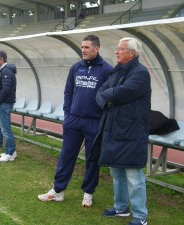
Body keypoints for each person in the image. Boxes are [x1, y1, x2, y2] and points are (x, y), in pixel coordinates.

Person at [37, 35, 112, 207]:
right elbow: (68, 91)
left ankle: (88, 193)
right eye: (82, 47)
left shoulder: (106, 70)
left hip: (94, 122)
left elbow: (110, 98)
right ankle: (58, 190)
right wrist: (68, 114)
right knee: (66, 155)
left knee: (92, 159)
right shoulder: (76, 67)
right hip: (74, 120)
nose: (83, 50)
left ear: (96, 49)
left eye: (87, 47)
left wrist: (102, 119)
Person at [93, 37, 151, 225]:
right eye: (117, 48)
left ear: (132, 53)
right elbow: (100, 93)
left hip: (131, 132)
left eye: (121, 49)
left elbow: (121, 93)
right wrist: (108, 97)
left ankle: (141, 217)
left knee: (134, 176)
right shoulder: (116, 71)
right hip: (114, 129)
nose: (116, 51)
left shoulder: (140, 73)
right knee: (116, 172)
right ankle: (121, 208)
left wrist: (109, 96)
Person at [0, 50, 17, 162]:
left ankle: (10, 153)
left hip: (4, 103)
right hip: (3, 102)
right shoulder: (3, 70)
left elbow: (5, 89)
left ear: (1, 59)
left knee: (6, 129)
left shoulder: (6, 71)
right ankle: (11, 151)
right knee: (4, 128)